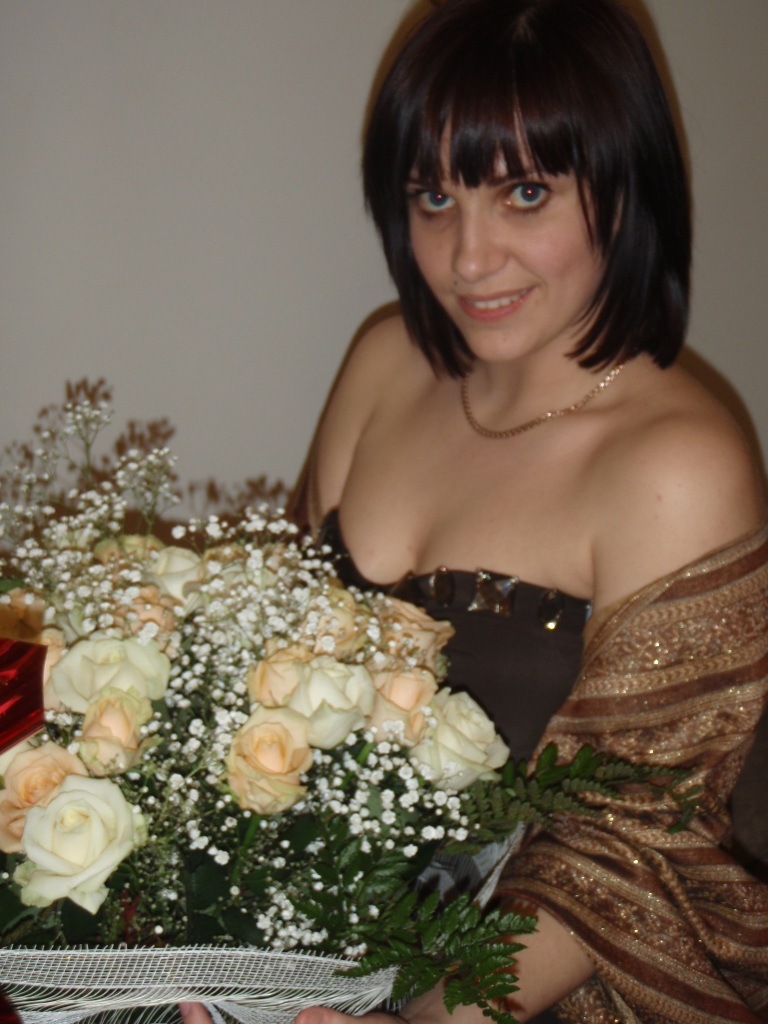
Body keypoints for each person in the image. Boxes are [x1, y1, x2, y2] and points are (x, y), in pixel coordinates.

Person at [188, 0, 768, 1021]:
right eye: (434, 197)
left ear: (625, 188)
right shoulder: (383, 363)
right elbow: (267, 676)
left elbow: (625, 851)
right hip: (314, 963)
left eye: (525, 194)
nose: (467, 258)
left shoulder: (679, 465)